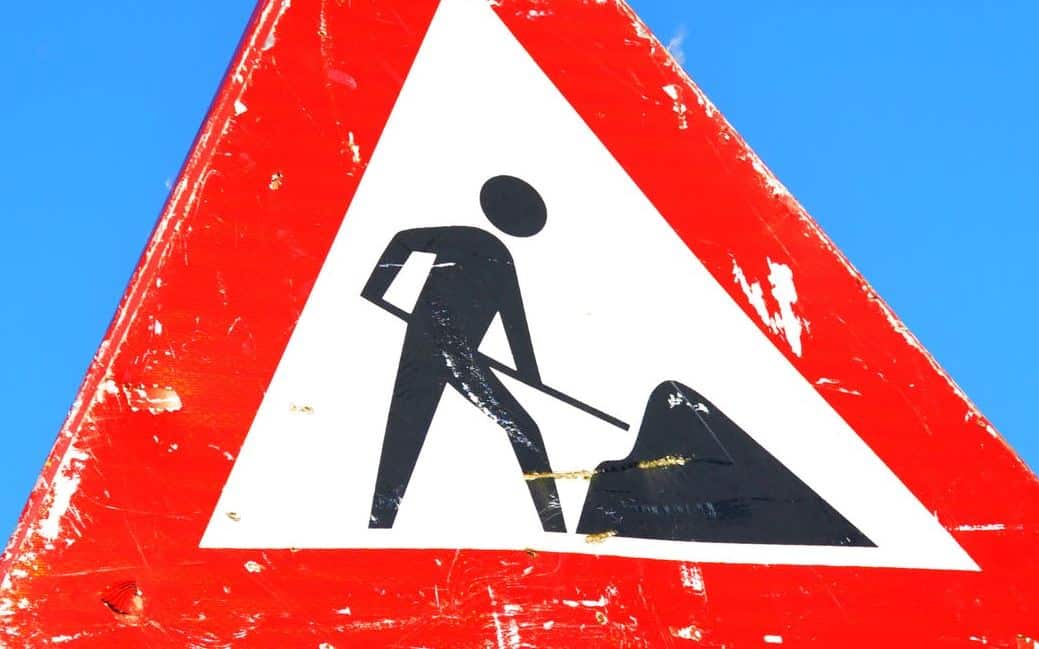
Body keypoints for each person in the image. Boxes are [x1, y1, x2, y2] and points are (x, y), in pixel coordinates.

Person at [361, 175, 564, 532]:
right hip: (438, 346)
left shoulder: (500, 257)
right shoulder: (471, 239)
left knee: (404, 437)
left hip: (449, 351)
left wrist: (531, 375)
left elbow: (514, 322)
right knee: (408, 437)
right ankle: (556, 529)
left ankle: (379, 527)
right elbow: (403, 240)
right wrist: (375, 290)